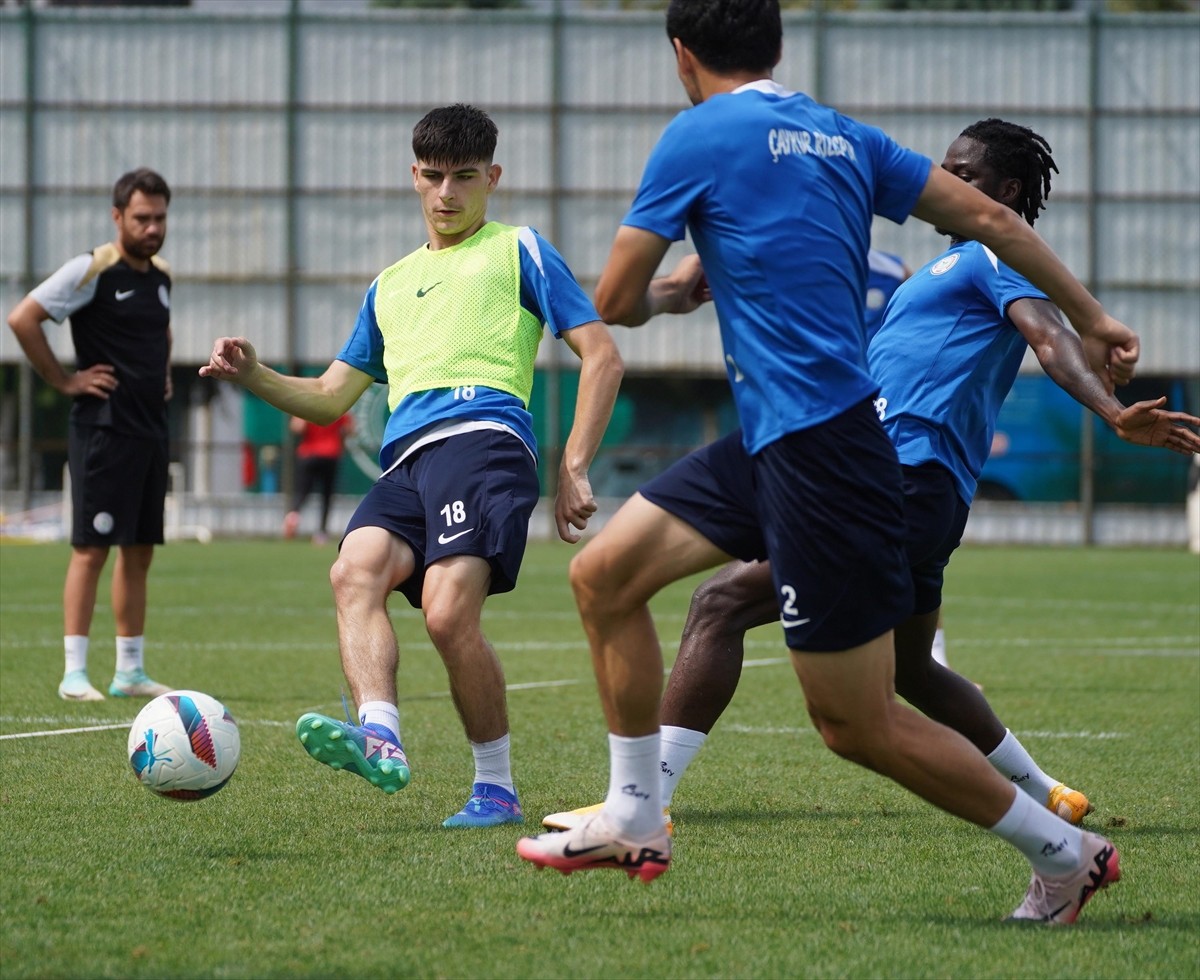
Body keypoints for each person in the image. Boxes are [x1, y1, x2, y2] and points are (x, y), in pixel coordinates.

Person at [516, 0, 1149, 924]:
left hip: (825, 455)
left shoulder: (698, 134)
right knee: (604, 576)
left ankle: (1067, 854)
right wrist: (1097, 316)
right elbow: (994, 222)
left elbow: (614, 298)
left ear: (683, 55)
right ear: (775, 46)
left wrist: (673, 293)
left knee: (859, 725)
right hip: (780, 439)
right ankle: (636, 814)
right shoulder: (847, 137)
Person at [200, 104, 623, 828]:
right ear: (414, 177)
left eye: (465, 177)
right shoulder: (389, 284)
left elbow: (603, 356)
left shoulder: (519, 248)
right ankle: (380, 737)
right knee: (352, 572)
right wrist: (254, 374)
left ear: (493, 178)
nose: (447, 193)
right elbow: (329, 398)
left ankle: (495, 787)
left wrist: (574, 465)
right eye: (433, 177)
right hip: (406, 464)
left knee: (448, 613)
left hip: (483, 441)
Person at [7, 168, 176, 703]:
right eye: (142, 218)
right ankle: (74, 673)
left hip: (150, 431)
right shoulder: (92, 269)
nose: (153, 228)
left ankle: (129, 671)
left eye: (160, 218)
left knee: (139, 550)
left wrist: (162, 372)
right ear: (117, 217)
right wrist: (64, 380)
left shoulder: (161, 277)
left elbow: (162, 330)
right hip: (103, 431)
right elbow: (23, 318)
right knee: (91, 549)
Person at [283, 412, 353, 545]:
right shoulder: (337, 408)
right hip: (331, 453)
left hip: (308, 453)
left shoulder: (309, 407)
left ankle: (293, 515)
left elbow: (296, 427)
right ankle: (321, 532)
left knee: (302, 491)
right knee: (326, 496)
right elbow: (349, 429)